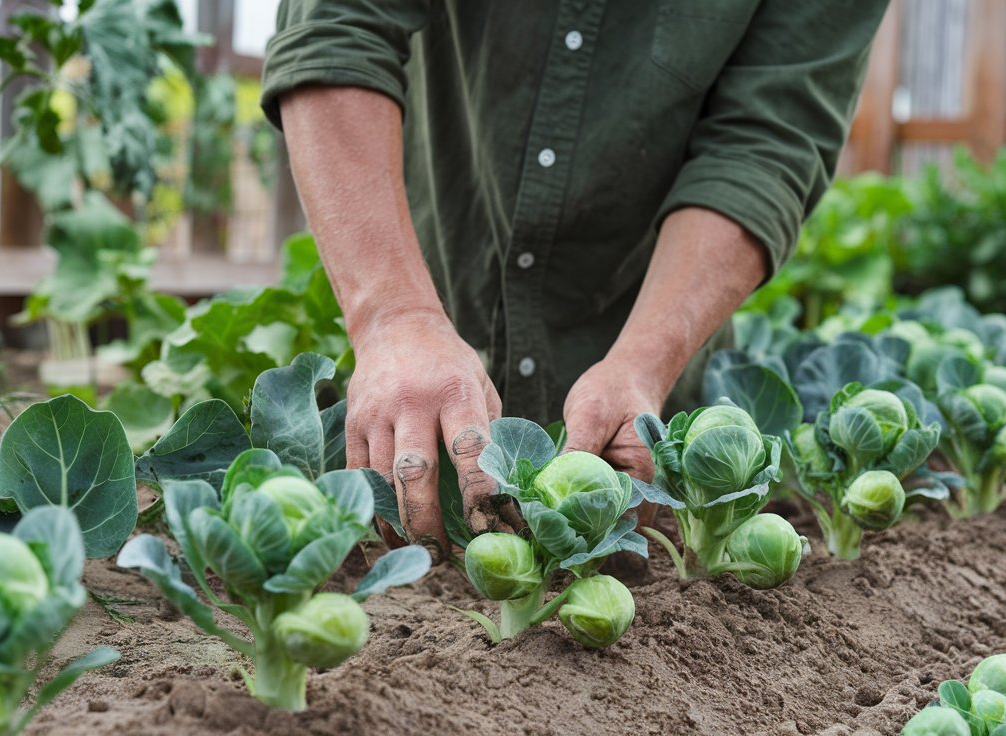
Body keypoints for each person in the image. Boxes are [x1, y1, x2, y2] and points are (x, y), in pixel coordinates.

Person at [262, 0, 889, 555]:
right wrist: (394, 317)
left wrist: (644, 365)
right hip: (424, 313)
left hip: (640, 446)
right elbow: (337, 26)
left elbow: (766, 141)